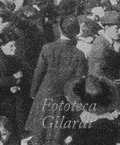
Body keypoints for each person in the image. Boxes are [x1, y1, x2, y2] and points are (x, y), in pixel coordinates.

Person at [25, 16, 87, 145]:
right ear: (76, 32)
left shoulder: (48, 48)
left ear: (60, 29)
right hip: (63, 100)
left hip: (44, 95)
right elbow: (79, 82)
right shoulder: (79, 54)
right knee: (56, 135)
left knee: (39, 133)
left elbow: (39, 72)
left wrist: (33, 92)